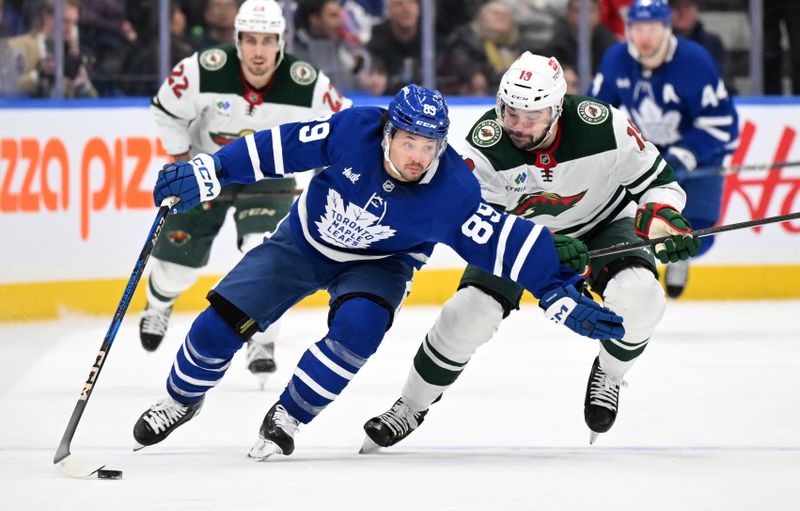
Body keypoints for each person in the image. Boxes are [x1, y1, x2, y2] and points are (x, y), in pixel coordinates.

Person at [131, 83, 626, 460]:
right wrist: (211, 170)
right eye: (409, 143)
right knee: (218, 325)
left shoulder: (452, 191)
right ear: (389, 131)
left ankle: (289, 416)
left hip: (382, 265)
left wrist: (559, 294)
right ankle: (181, 399)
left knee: (357, 332)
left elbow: (504, 244)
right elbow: (277, 148)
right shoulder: (353, 130)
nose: (417, 158)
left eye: (429, 147)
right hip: (303, 244)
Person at [361, 52, 699, 451]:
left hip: (603, 225)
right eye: (511, 113)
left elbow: (658, 182)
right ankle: (410, 406)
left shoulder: (604, 124)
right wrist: (540, 249)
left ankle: (610, 372)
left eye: (532, 116)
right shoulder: (484, 149)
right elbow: (477, 225)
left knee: (642, 298)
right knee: (465, 315)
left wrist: (662, 215)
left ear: (557, 109)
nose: (518, 127)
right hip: (518, 238)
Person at [141, 0, 350, 389]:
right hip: (208, 172)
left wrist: (338, 176)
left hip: (267, 178)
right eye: (250, 40)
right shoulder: (202, 69)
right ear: (237, 42)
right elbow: (166, 108)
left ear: (281, 42)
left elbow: (341, 129)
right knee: (178, 267)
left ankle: (262, 338)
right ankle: (159, 301)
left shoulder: (309, 83)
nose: (258, 51)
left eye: (267, 40)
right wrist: (183, 158)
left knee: (263, 249)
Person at [588, 0, 738, 298]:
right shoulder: (616, 59)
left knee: (700, 235)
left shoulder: (694, 61)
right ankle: (644, 264)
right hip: (645, 158)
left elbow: (722, 124)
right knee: (632, 225)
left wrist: (686, 154)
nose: (645, 37)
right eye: (638, 28)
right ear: (629, 29)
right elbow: (597, 115)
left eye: (652, 29)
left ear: (666, 28)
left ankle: (679, 258)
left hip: (698, 156)